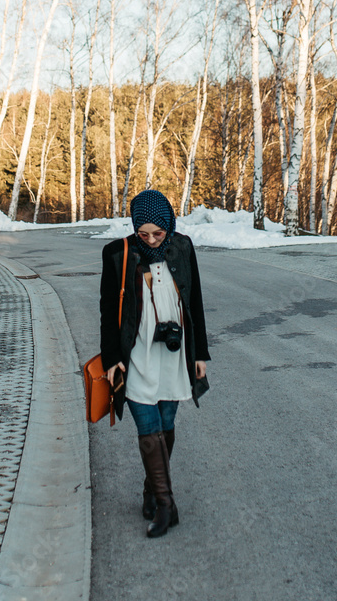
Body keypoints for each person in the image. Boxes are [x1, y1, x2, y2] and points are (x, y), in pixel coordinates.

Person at [99, 188, 210, 538]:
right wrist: (112, 359)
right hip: (137, 355)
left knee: (166, 422)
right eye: (143, 233)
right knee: (147, 425)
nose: (150, 240)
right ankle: (166, 505)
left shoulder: (183, 247)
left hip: (174, 356)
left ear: (169, 227)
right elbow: (107, 312)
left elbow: (195, 301)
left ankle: (151, 491)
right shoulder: (118, 253)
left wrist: (201, 354)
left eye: (157, 233)